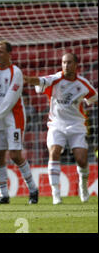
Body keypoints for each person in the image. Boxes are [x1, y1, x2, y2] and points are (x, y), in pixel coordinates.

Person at [24, 53, 97, 204]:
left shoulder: (83, 84)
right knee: (54, 151)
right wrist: (26, 78)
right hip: (57, 124)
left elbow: (93, 98)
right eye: (64, 62)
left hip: (76, 125)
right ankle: (55, 194)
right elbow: (39, 80)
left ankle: (83, 187)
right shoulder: (55, 79)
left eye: (69, 62)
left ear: (76, 64)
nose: (66, 65)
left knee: (82, 160)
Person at [0, 41, 39, 205]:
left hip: (13, 119)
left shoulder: (16, 72)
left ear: (10, 54)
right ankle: (3, 194)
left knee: (15, 155)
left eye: (1, 52)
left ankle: (33, 189)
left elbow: (10, 99)